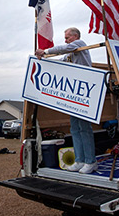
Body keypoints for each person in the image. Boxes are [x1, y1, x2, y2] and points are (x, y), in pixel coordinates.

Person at [35, 27, 97, 174]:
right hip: (73, 95)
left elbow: (63, 48)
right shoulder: (70, 54)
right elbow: (61, 61)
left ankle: (91, 161)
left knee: (85, 128)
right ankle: (80, 160)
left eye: (68, 37)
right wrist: (44, 59)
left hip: (84, 93)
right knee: (75, 128)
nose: (65, 40)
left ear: (75, 37)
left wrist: (46, 51)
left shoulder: (79, 44)